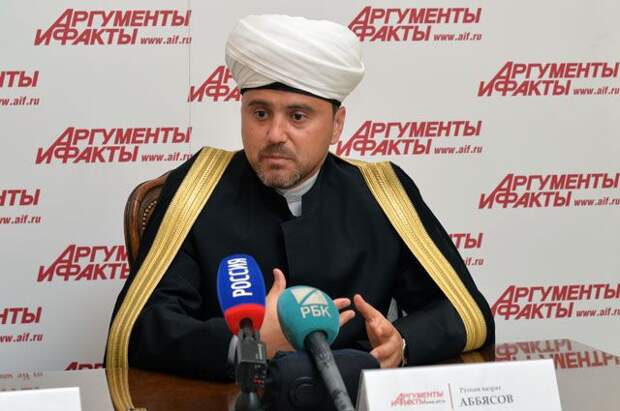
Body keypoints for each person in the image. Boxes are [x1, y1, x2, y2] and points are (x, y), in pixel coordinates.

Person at [108, 14, 494, 381]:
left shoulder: (382, 191)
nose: (275, 134)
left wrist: (401, 343)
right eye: (260, 114)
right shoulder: (198, 187)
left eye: (297, 116)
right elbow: (136, 331)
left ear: (337, 125)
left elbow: (467, 313)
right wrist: (247, 344)